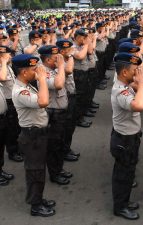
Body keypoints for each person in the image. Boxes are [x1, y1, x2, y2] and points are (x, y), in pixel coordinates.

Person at [12, 54, 55, 217]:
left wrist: (39, 77)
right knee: (34, 171)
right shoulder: (20, 91)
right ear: (24, 72)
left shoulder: (27, 85)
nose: (37, 72)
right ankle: (35, 205)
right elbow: (43, 102)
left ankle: (39, 198)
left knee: (39, 170)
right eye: (33, 69)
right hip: (32, 138)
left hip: (38, 135)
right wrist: (43, 78)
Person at [110, 52, 143, 220]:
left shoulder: (126, 85)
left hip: (130, 137)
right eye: (134, 70)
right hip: (124, 140)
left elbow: (138, 92)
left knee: (129, 171)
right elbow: (139, 105)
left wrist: (139, 81)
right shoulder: (120, 91)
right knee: (122, 175)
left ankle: (124, 201)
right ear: (124, 72)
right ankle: (120, 207)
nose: (136, 73)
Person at [38, 45, 71, 185]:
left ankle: (58, 168)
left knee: (60, 142)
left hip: (60, 112)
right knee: (53, 145)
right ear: (47, 59)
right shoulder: (42, 72)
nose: (59, 58)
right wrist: (61, 66)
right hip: (52, 113)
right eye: (55, 57)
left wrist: (60, 66)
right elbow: (58, 85)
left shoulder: (54, 69)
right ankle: (54, 173)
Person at [56, 39, 80, 162]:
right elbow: (69, 70)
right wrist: (71, 55)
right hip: (64, 98)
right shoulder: (58, 62)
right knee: (64, 127)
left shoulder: (66, 59)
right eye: (67, 50)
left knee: (70, 126)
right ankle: (63, 151)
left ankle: (66, 148)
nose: (69, 51)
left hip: (71, 94)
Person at [0, 45, 23, 162]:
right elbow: (2, 78)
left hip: (14, 100)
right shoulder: (2, 67)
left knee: (16, 127)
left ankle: (16, 148)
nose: (10, 56)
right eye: (7, 54)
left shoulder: (8, 66)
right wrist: (3, 62)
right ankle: (12, 152)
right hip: (7, 103)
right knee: (10, 129)